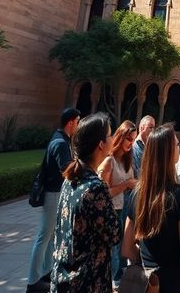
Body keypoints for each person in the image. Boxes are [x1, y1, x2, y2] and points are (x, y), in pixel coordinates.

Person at [122, 123, 180, 292]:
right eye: (177, 145)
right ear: (169, 152)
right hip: (174, 283)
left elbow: (127, 247)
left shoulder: (136, 194)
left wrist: (148, 267)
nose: (179, 147)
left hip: (147, 284)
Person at [52, 112, 121, 292]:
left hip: (64, 278)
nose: (113, 138)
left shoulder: (70, 179)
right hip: (87, 281)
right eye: (110, 135)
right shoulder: (96, 187)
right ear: (100, 144)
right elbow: (114, 234)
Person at [26, 107, 80, 293]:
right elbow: (67, 169)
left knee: (51, 236)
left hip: (55, 193)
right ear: (71, 122)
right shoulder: (60, 143)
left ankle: (46, 274)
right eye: (78, 122)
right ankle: (32, 281)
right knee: (44, 235)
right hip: (53, 194)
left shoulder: (61, 140)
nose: (78, 126)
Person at [98, 120, 138, 287]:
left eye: (133, 139)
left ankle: (120, 279)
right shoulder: (109, 161)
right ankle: (114, 281)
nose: (131, 143)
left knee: (123, 247)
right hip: (112, 210)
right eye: (129, 138)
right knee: (115, 249)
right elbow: (102, 194)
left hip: (125, 208)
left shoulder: (127, 160)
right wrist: (126, 185)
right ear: (120, 136)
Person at [132, 115, 156, 179]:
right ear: (142, 128)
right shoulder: (133, 147)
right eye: (150, 127)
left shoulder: (152, 146)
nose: (153, 131)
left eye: (154, 128)